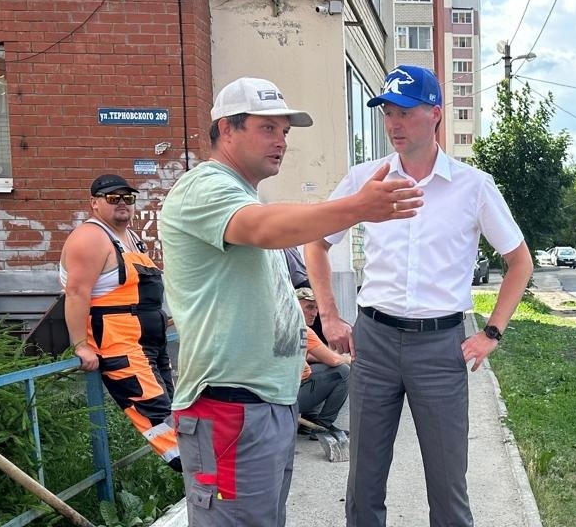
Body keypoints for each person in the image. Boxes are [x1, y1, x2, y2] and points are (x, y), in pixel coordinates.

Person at [159, 77, 422, 526]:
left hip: (265, 403)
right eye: (267, 128)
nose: (281, 141)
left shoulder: (240, 192)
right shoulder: (203, 187)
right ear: (226, 129)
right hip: (229, 406)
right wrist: (356, 207)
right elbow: (264, 227)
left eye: (285, 132)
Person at [305, 65, 533, 527]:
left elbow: (520, 262)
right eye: (388, 112)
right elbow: (316, 242)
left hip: (441, 347)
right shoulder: (365, 180)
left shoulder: (473, 187)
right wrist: (328, 314)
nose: (393, 124)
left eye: (405, 112)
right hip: (375, 341)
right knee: (364, 479)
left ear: (435, 115)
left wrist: (492, 332)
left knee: (448, 484)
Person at [60, 174, 180, 471]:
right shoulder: (90, 237)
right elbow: (76, 293)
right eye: (113, 198)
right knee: (158, 417)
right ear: (95, 203)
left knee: (176, 412)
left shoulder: (129, 238)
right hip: (121, 347)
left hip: (149, 344)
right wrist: (81, 345)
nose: (123, 203)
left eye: (128, 197)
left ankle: (204, 480)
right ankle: (203, 477)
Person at [283, 246, 350, 437]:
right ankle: (322, 425)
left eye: (316, 308)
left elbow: (305, 354)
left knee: (315, 369)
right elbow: (335, 361)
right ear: (295, 307)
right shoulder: (305, 331)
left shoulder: (280, 326)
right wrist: (352, 360)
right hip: (286, 397)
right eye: (309, 307)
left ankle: (308, 420)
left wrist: (321, 357)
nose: (315, 313)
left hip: (275, 394)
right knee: (342, 373)